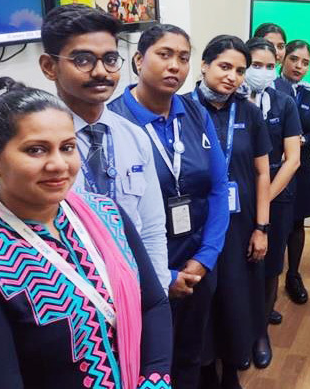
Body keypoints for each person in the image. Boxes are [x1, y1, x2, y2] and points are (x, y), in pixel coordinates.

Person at [0, 77, 171, 388]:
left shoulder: (107, 215)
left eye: (67, 148)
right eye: (36, 150)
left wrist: (155, 380)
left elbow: (153, 304)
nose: (58, 164)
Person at [108, 24, 229, 388]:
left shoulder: (195, 114)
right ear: (138, 59)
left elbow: (220, 188)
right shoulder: (114, 122)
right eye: (164, 55)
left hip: (197, 266)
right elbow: (112, 217)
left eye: (183, 58)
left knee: (190, 354)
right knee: (148, 364)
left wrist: (206, 257)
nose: (175, 66)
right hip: (142, 275)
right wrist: (164, 277)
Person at [37, 4, 171, 292]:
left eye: (110, 59)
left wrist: (157, 297)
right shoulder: (28, 147)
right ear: (49, 67)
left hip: (131, 290)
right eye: (83, 60)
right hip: (67, 298)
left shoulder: (133, 137)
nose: (101, 72)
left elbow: (151, 228)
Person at [193, 35, 271, 388]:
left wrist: (262, 227)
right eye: (225, 67)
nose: (233, 77)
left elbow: (261, 173)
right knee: (202, 300)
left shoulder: (250, 113)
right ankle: (206, 370)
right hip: (195, 227)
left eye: (241, 70)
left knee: (236, 297)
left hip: (240, 226)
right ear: (205, 65)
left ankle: (232, 369)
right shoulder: (183, 109)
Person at [243, 37, 302, 368]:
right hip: (236, 200)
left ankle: (260, 332)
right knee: (238, 266)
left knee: (268, 268)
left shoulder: (284, 103)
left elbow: (292, 159)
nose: (262, 72)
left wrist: (263, 199)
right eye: (255, 65)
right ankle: (238, 330)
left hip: (276, 197)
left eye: (269, 67)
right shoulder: (230, 101)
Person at [273, 40, 310, 305]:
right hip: (272, 169)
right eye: (294, 59)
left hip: (300, 167)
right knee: (272, 224)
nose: (299, 66)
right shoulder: (269, 90)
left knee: (297, 223)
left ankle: (293, 275)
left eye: (305, 62)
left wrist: (299, 142)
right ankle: (269, 279)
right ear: (283, 59)